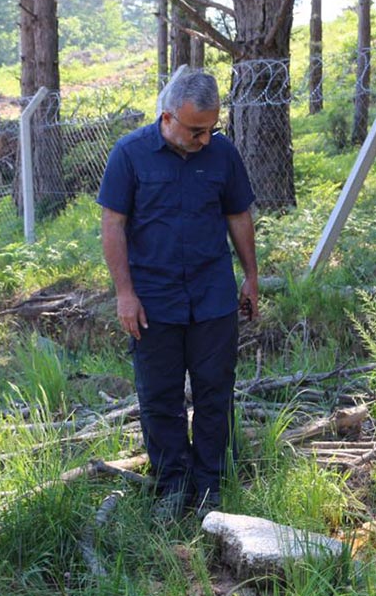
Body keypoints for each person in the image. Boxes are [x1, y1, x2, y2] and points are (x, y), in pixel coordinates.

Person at [97, 70, 258, 522]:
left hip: (212, 297)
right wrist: (124, 294)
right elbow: (113, 226)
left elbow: (238, 215)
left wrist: (250, 276)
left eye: (211, 129)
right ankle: (173, 485)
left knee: (214, 392)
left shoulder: (222, 154)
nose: (205, 139)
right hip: (153, 300)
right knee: (160, 396)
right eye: (195, 130)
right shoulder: (130, 154)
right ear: (167, 118)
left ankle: (210, 487)